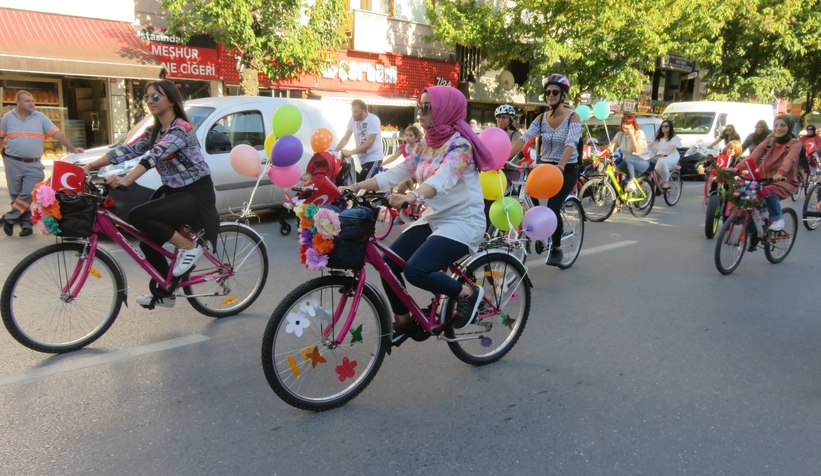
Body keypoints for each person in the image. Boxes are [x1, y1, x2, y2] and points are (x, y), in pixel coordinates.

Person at [343, 86, 494, 340]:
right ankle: (404, 322)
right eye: (419, 106)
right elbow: (396, 173)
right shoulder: (425, 145)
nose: (420, 113)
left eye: (427, 108)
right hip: (436, 219)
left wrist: (411, 196)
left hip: (464, 222)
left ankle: (467, 293)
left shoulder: (460, 146)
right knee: (389, 264)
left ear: (445, 110)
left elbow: (443, 179)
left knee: (416, 270)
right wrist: (355, 186)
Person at [82, 80, 220, 309]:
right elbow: (126, 151)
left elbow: (153, 156)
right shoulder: (155, 131)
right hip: (174, 192)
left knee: (138, 215)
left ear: (171, 100)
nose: (149, 101)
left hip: (196, 194)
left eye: (155, 97)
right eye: (146, 97)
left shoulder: (181, 129)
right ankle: (167, 292)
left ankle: (188, 247)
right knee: (148, 243)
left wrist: (127, 180)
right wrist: (89, 166)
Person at [508, 74, 581, 266]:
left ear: (563, 95)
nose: (550, 95)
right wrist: (504, 158)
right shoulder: (540, 119)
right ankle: (540, 231)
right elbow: (524, 139)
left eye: (555, 92)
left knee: (552, 207)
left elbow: (571, 144)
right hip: (544, 167)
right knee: (528, 194)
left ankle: (556, 249)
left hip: (566, 169)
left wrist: (561, 165)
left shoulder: (573, 118)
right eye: (547, 92)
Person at [0, 90, 83, 236]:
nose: (32, 103)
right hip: (12, 161)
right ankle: (26, 225)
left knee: (27, 193)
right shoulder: (7, 118)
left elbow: (57, 134)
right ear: (17, 102)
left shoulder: (40, 117)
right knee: (16, 194)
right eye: (27, 101)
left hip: (33, 163)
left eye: (32, 101)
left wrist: (72, 148)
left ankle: (9, 218)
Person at [730, 115, 801, 232]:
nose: (778, 128)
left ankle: (778, 219)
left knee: (769, 192)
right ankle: (752, 235)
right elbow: (752, 157)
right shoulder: (769, 142)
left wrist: (780, 172)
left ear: (790, 127)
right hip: (763, 179)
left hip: (785, 181)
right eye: (776, 125)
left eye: (783, 125)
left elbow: (790, 159)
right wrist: (737, 168)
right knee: (746, 195)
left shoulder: (795, 144)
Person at [334, 99, 384, 182]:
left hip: (374, 158)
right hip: (363, 159)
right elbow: (346, 137)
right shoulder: (353, 119)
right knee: (362, 185)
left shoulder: (373, 120)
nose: (353, 114)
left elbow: (369, 143)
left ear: (364, 111)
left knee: (361, 185)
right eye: (352, 111)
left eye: (356, 112)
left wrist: (351, 152)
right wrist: (334, 151)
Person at [610, 115, 651, 192]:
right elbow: (611, 147)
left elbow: (636, 149)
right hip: (627, 163)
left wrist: (632, 135)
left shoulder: (639, 133)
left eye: (627, 124)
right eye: (623, 123)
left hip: (643, 161)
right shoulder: (619, 134)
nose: (625, 126)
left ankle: (631, 182)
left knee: (628, 159)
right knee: (614, 174)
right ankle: (619, 200)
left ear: (633, 125)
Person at [647, 119, 683, 189]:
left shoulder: (674, 138)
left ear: (670, 128)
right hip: (660, 155)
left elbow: (672, 147)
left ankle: (665, 181)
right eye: (662, 126)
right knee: (653, 167)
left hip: (671, 155)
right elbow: (650, 145)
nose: (664, 128)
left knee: (662, 163)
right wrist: (641, 150)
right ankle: (656, 183)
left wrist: (666, 153)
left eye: (666, 126)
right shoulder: (658, 137)